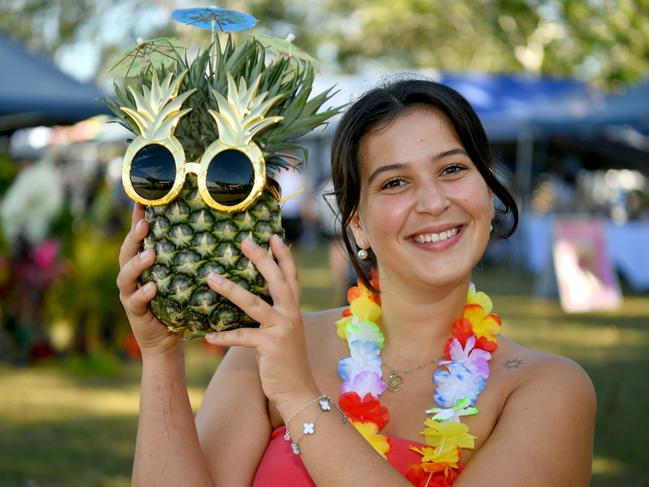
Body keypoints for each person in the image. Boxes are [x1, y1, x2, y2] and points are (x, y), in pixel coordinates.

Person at [117, 78, 596, 486]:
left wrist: (299, 397)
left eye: (452, 170)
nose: (432, 202)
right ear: (356, 222)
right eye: (394, 182)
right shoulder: (262, 357)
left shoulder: (548, 390)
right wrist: (160, 355)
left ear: (487, 194)